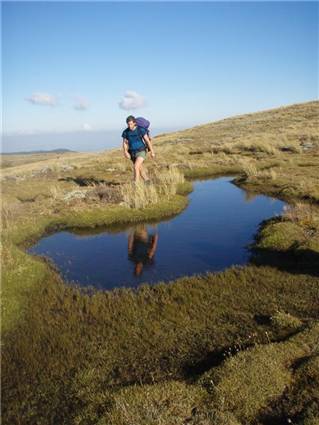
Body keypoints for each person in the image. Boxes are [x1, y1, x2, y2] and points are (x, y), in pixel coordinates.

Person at [121, 115, 155, 183]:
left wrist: (152, 151)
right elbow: (124, 142)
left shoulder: (140, 130)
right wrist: (125, 152)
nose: (129, 126)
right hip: (132, 153)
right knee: (140, 168)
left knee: (136, 167)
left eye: (131, 124)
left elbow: (147, 141)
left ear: (134, 123)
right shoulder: (126, 132)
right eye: (128, 124)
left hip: (141, 151)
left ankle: (136, 185)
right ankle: (147, 181)